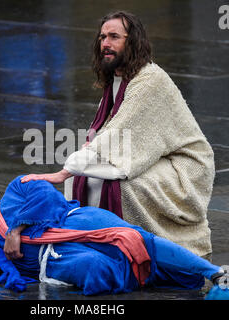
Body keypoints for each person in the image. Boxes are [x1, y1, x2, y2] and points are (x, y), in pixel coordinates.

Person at [21, 11, 215, 257]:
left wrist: (62, 172)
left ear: (132, 41)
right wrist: (74, 169)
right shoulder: (119, 78)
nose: (105, 44)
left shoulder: (149, 80)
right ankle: (95, 239)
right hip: (155, 154)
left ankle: (144, 247)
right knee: (85, 177)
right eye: (102, 37)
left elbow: (119, 134)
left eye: (114, 37)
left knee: (123, 185)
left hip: (184, 167)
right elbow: (109, 132)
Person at [0, 176, 229, 299]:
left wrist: (16, 230)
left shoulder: (14, 191)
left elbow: (48, 193)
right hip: (58, 258)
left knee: (142, 241)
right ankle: (144, 278)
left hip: (80, 223)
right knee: (94, 268)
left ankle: (214, 275)